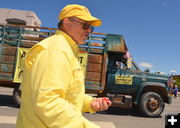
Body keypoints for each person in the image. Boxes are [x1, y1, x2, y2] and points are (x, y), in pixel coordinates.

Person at [16, 4, 112, 128]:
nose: (88, 30)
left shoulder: (66, 50)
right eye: (85, 25)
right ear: (66, 22)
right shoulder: (55, 50)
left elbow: (69, 96)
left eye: (91, 27)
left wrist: (91, 103)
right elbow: (48, 102)